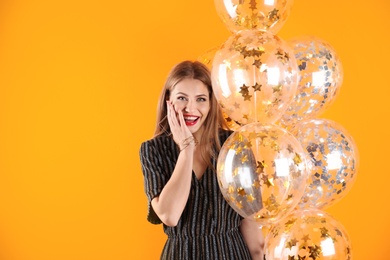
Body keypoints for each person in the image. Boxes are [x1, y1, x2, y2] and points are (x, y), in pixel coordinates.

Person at [139, 60, 264, 259]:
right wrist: (186, 149)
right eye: (182, 98)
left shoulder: (234, 145)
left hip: (231, 254)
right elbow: (169, 216)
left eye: (200, 99)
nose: (191, 108)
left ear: (211, 103)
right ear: (168, 101)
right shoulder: (154, 150)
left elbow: (250, 219)